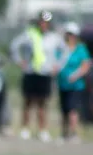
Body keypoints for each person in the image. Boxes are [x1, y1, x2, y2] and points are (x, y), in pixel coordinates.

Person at [10, 11, 64, 142]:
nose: (43, 24)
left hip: (45, 73)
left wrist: (58, 66)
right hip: (30, 72)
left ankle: (43, 130)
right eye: (42, 22)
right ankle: (25, 129)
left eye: (46, 22)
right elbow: (14, 45)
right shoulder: (30, 34)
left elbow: (65, 51)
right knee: (28, 102)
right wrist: (19, 61)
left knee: (42, 103)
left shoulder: (54, 38)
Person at [54, 22, 91, 143]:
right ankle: (64, 134)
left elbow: (86, 65)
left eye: (72, 34)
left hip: (76, 86)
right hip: (63, 84)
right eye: (68, 34)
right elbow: (56, 63)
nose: (70, 37)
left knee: (72, 110)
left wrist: (75, 75)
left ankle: (74, 134)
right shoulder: (61, 49)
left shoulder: (81, 49)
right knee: (64, 110)